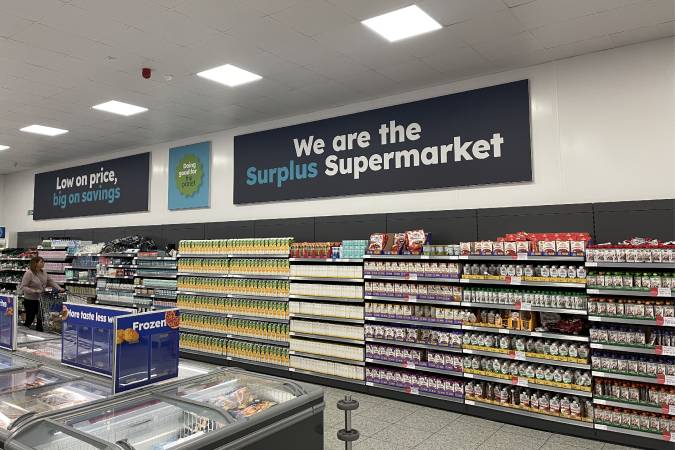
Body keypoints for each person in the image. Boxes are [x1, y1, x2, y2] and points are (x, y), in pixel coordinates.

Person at [20, 256, 64, 332]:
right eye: (41, 262)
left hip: (41, 299)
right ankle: (23, 332)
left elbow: (50, 281)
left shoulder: (43, 272)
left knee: (41, 318)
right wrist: (34, 291)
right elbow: (23, 287)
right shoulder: (29, 273)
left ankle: (39, 332)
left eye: (43, 262)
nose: (43, 263)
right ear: (35, 263)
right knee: (30, 318)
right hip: (30, 300)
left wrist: (59, 288)